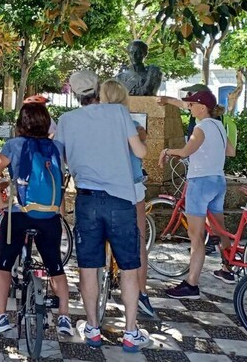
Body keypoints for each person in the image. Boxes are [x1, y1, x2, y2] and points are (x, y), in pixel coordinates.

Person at [55, 70, 150, 352]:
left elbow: (60, 161)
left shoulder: (66, 121)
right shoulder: (119, 114)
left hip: (86, 201)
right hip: (121, 200)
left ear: (74, 93)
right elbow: (141, 153)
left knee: (88, 267)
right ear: (98, 89)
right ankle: (131, 331)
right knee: (130, 267)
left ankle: (93, 327)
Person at [0, 100, 73, 336]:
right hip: (48, 217)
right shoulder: (57, 146)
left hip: (19, 216)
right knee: (55, 266)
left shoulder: (14, 145)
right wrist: (59, 211)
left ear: (21, 123)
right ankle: (65, 316)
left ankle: (2, 316)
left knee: (3, 267)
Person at [158, 88, 236, 297]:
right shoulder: (219, 125)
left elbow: (185, 152)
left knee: (196, 236)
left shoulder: (201, 127)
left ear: (202, 107)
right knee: (219, 230)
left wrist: (167, 151)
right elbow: (230, 151)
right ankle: (228, 269)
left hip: (200, 182)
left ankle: (191, 283)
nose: (189, 107)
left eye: (192, 105)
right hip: (218, 181)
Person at [99, 79, 156, 318]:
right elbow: (140, 154)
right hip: (131, 190)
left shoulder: (95, 126)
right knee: (137, 241)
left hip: (101, 187)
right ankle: (141, 293)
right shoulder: (131, 125)